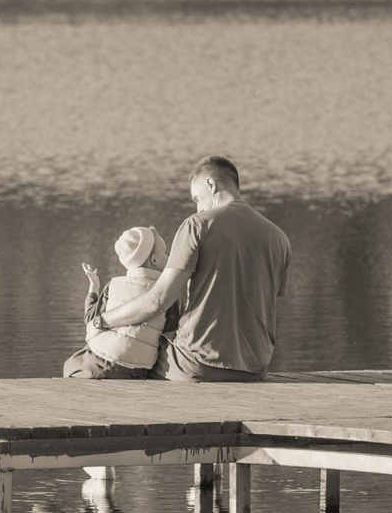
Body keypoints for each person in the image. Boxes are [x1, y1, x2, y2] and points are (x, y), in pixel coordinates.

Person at [87, 155, 290, 382]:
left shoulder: (198, 225)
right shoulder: (279, 238)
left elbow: (158, 300)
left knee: (132, 354)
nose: (198, 206)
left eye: (196, 198)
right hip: (256, 367)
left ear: (210, 184)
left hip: (198, 363)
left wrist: (101, 321)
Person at [62, 224, 175, 380]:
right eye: (165, 252)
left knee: (71, 365)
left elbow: (90, 318)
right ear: (154, 260)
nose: (169, 256)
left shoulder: (114, 285)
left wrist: (94, 287)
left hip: (100, 359)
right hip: (138, 368)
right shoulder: (167, 294)